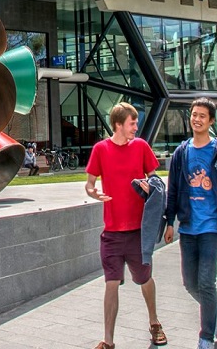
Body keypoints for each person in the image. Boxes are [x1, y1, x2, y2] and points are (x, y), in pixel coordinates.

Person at [85, 101, 166, 349]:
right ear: (118, 124)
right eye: (132, 123)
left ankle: (154, 323)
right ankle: (108, 341)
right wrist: (93, 193)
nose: (136, 128)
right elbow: (89, 183)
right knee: (111, 282)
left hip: (138, 232)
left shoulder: (141, 147)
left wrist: (149, 186)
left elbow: (157, 182)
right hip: (111, 233)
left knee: (144, 279)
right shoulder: (100, 149)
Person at [163, 97, 217, 349]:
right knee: (189, 283)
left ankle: (206, 337)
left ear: (211, 121)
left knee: (206, 281)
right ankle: (215, 306)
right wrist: (170, 221)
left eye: (202, 116)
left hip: (211, 227)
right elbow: (172, 189)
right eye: (194, 114)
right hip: (187, 227)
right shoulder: (181, 153)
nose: (196, 119)